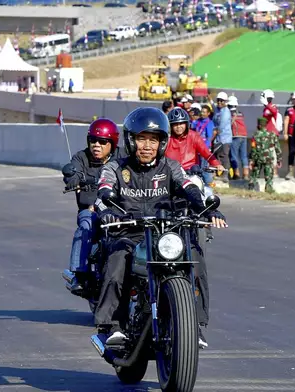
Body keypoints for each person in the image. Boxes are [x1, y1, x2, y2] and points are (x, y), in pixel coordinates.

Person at [94, 107, 228, 348]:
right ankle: (111, 326)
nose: (147, 146)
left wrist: (206, 208)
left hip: (165, 233)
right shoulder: (115, 167)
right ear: (131, 140)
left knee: (195, 257)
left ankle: (194, 324)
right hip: (129, 231)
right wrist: (108, 209)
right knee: (117, 261)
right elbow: (104, 188)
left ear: (162, 143)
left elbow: (189, 187)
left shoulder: (171, 167)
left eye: (153, 140)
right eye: (141, 139)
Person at [63, 118, 120, 293]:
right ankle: (79, 274)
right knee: (86, 225)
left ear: (112, 143)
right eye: (93, 140)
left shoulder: (122, 157)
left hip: (119, 209)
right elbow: (72, 173)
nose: (97, 145)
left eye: (102, 142)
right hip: (91, 209)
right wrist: (73, 179)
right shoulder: (81, 157)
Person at [164, 107, 225, 174]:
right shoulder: (166, 138)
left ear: (186, 124)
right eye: (175, 124)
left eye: (181, 123)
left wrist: (216, 164)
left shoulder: (193, 136)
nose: (178, 126)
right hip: (171, 175)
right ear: (170, 126)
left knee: (206, 181)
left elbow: (205, 152)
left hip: (191, 174)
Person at [248, 118, 282, 193]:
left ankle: (251, 187)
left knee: (254, 175)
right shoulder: (272, 135)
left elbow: (253, 149)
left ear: (259, 125)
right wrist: (279, 159)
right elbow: (277, 148)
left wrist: (251, 160)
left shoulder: (255, 135)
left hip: (258, 158)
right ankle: (269, 188)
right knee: (269, 176)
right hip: (268, 158)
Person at [212, 91, 232, 181]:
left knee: (224, 156)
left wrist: (214, 133)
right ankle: (218, 174)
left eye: (222, 101)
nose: (219, 102)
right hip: (218, 138)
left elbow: (221, 126)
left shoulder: (226, 112)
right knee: (217, 156)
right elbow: (213, 108)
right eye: (218, 100)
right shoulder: (218, 110)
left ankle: (225, 175)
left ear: (225, 102)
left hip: (224, 138)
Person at [227, 95, 248, 180]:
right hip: (244, 136)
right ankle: (246, 174)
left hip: (235, 136)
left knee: (234, 156)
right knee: (244, 156)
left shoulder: (229, 113)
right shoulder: (240, 113)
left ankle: (237, 174)